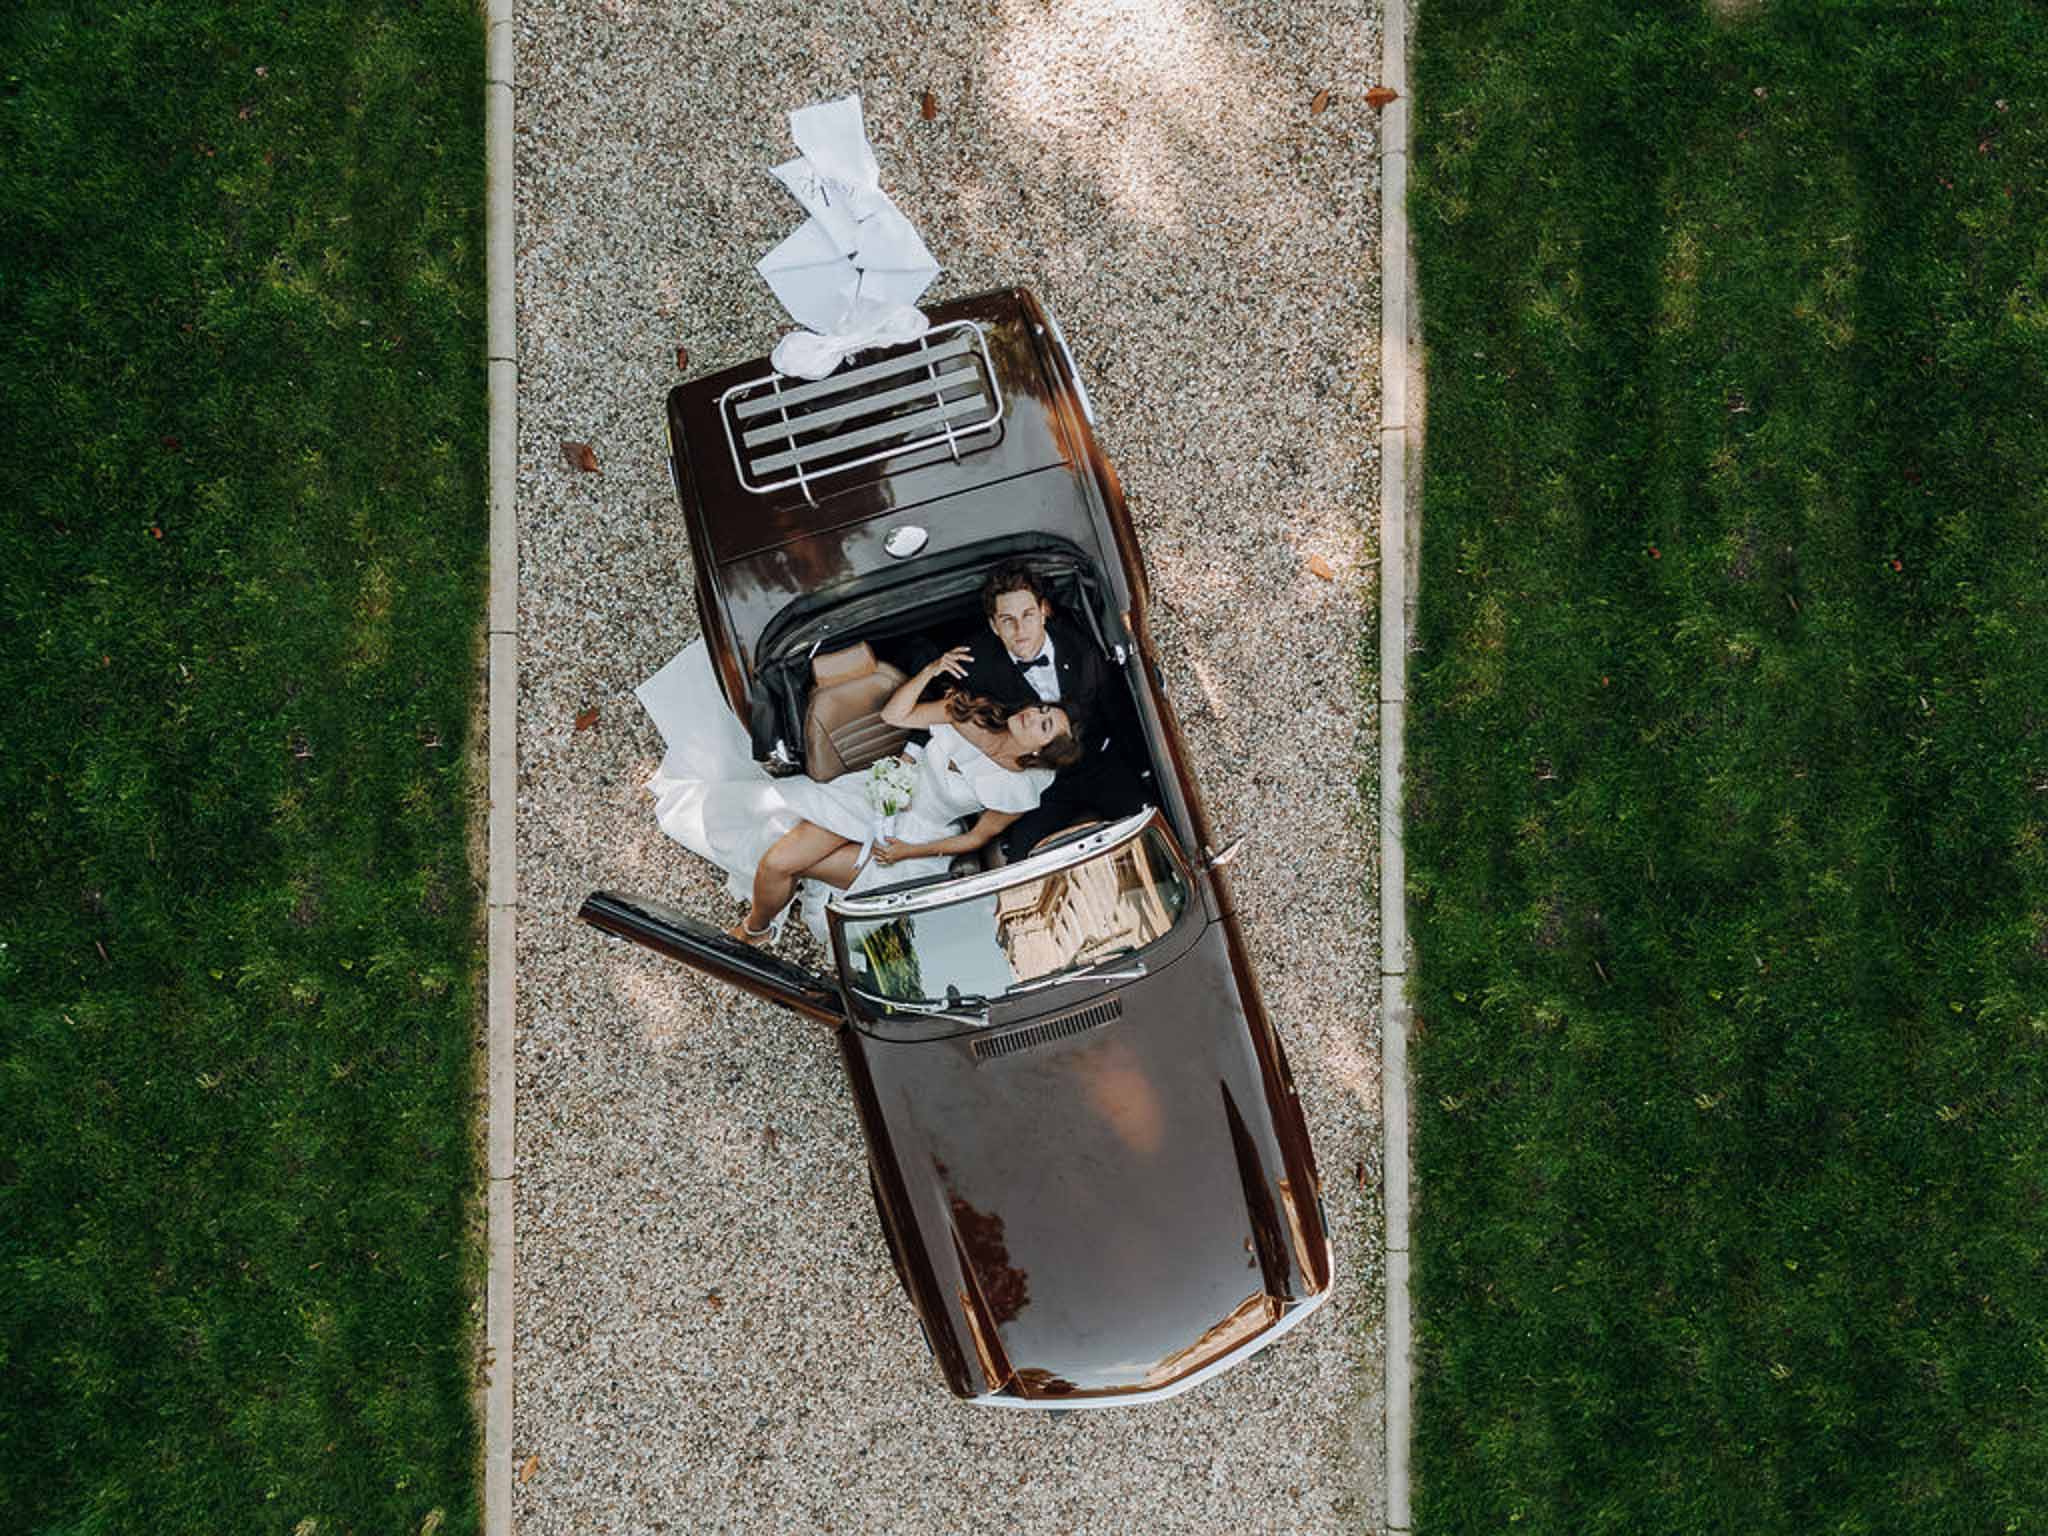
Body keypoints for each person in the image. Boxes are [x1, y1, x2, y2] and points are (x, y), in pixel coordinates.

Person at [726, 646, 1082, 944]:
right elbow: (894, 715)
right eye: (1042, 709)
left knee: (801, 865)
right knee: (777, 862)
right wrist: (931, 670)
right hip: (875, 798)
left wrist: (909, 851)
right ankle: (757, 929)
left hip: (915, 842)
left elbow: (976, 837)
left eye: (1044, 724)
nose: (1034, 714)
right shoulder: (974, 713)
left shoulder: (1019, 790)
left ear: (1040, 751)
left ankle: (751, 933)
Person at [952, 560, 1148, 858]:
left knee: (1144, 823)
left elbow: (1116, 707)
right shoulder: (977, 664)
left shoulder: (1081, 647)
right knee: (1020, 854)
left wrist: (1142, 764)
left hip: (1099, 762)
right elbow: (946, 705)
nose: (1020, 631)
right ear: (994, 625)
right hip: (1040, 783)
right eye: (1007, 620)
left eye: (1028, 615)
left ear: (1043, 611)